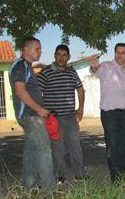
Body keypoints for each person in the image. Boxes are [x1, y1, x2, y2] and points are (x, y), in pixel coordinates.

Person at [8, 37, 56, 192]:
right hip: (31, 115)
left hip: (31, 114)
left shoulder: (26, 66)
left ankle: (28, 188)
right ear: (27, 49)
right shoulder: (20, 65)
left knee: (31, 151)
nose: (41, 52)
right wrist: (39, 109)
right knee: (44, 150)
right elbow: (20, 91)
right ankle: (49, 192)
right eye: (38, 49)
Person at [88, 43, 125, 182]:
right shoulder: (106, 66)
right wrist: (93, 66)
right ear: (114, 53)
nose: (119, 55)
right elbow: (95, 71)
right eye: (117, 52)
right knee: (112, 145)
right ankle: (116, 177)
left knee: (123, 145)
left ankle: (121, 173)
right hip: (110, 113)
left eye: (123, 52)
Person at [37, 44, 87, 183]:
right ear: (54, 55)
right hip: (54, 119)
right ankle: (60, 175)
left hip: (71, 117)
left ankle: (80, 174)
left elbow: (80, 89)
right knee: (57, 148)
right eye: (58, 54)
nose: (61, 57)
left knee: (75, 146)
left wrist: (81, 108)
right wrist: (42, 110)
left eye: (64, 55)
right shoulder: (46, 72)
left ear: (69, 57)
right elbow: (36, 93)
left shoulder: (72, 72)